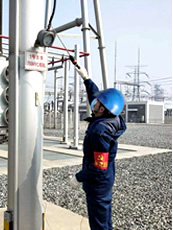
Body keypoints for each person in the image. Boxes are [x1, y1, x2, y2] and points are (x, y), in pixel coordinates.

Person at [69, 59, 127, 230]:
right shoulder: (113, 119)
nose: (94, 103)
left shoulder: (99, 131)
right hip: (107, 178)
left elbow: (98, 166)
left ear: (102, 109)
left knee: (99, 223)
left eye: (98, 103)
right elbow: (95, 96)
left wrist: (78, 177)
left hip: (98, 183)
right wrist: (86, 78)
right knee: (104, 218)